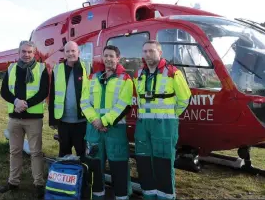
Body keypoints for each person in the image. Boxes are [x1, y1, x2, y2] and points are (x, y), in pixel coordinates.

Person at [133, 40, 191, 200]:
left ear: (160, 53)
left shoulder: (173, 73)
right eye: (145, 51)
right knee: (144, 164)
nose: (147, 54)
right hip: (143, 126)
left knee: (163, 165)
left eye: (151, 51)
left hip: (164, 126)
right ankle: (149, 196)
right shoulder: (139, 75)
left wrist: (170, 116)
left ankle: (166, 197)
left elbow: (184, 99)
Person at [80, 45, 133, 200]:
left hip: (115, 131)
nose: (108, 59)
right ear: (102, 58)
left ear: (118, 58)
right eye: (106, 56)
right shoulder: (92, 78)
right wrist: (95, 120)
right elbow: (84, 102)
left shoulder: (125, 79)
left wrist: (103, 122)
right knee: (95, 170)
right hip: (94, 131)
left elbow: (124, 105)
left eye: (111, 56)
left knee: (120, 170)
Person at [0, 40, 49, 198]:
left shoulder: (41, 69)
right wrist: (15, 102)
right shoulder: (11, 68)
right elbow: (4, 91)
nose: (26, 55)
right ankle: (13, 182)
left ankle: (38, 183)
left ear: (34, 54)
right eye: (24, 52)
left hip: (33, 119)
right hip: (14, 118)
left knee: (36, 153)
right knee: (15, 151)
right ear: (19, 53)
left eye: (29, 52)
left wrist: (25, 104)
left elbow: (43, 92)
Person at [48, 41, 88, 158]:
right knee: (64, 154)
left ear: (78, 52)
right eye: (68, 51)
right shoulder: (57, 69)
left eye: (73, 51)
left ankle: (83, 176)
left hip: (82, 121)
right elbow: (53, 95)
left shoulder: (86, 68)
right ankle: (65, 175)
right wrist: (53, 120)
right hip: (63, 122)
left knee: (83, 154)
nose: (70, 54)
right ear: (64, 53)